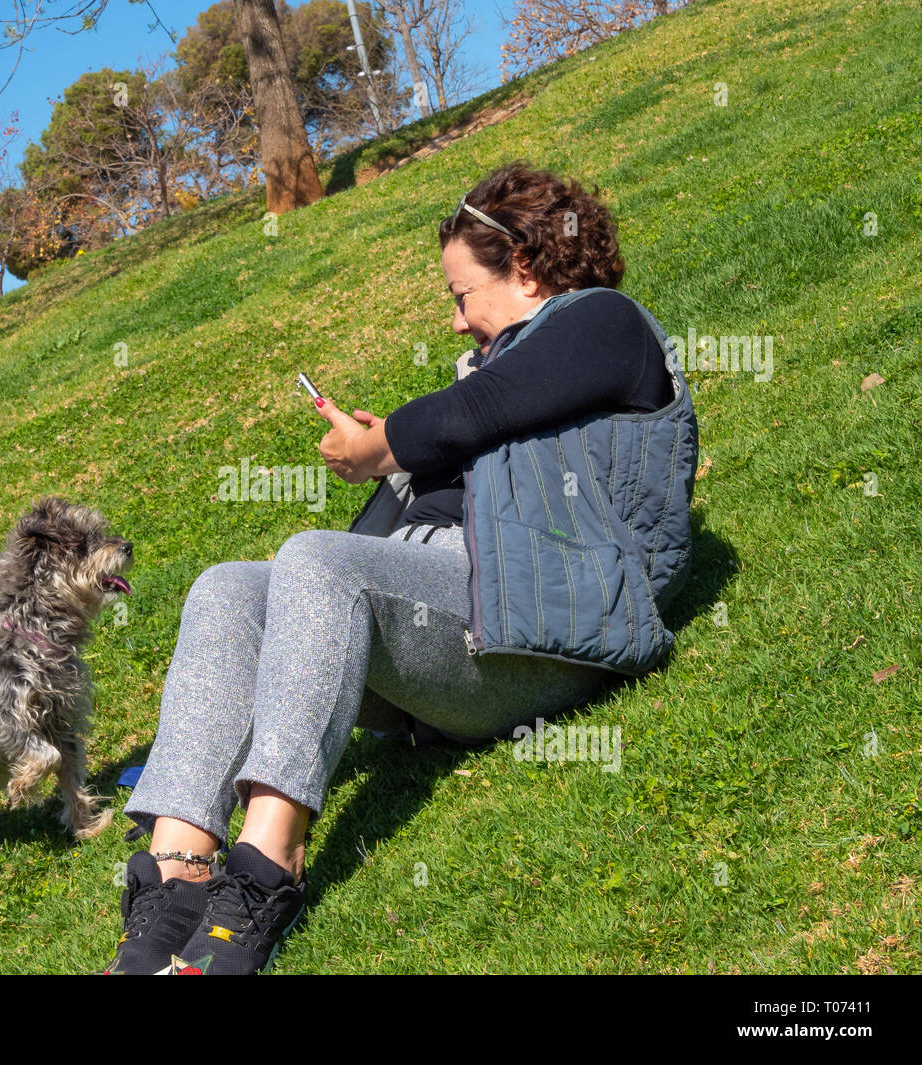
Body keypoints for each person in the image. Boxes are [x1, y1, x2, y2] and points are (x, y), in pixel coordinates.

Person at [100, 160, 694, 975]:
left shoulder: (607, 324)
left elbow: (484, 409)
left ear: (524, 266)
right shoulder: (498, 376)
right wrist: (400, 472)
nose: (456, 323)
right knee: (230, 587)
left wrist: (385, 443)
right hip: (442, 628)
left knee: (312, 557)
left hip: (538, 637)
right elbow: (460, 445)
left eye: (460, 296)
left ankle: (264, 871)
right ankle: (173, 885)